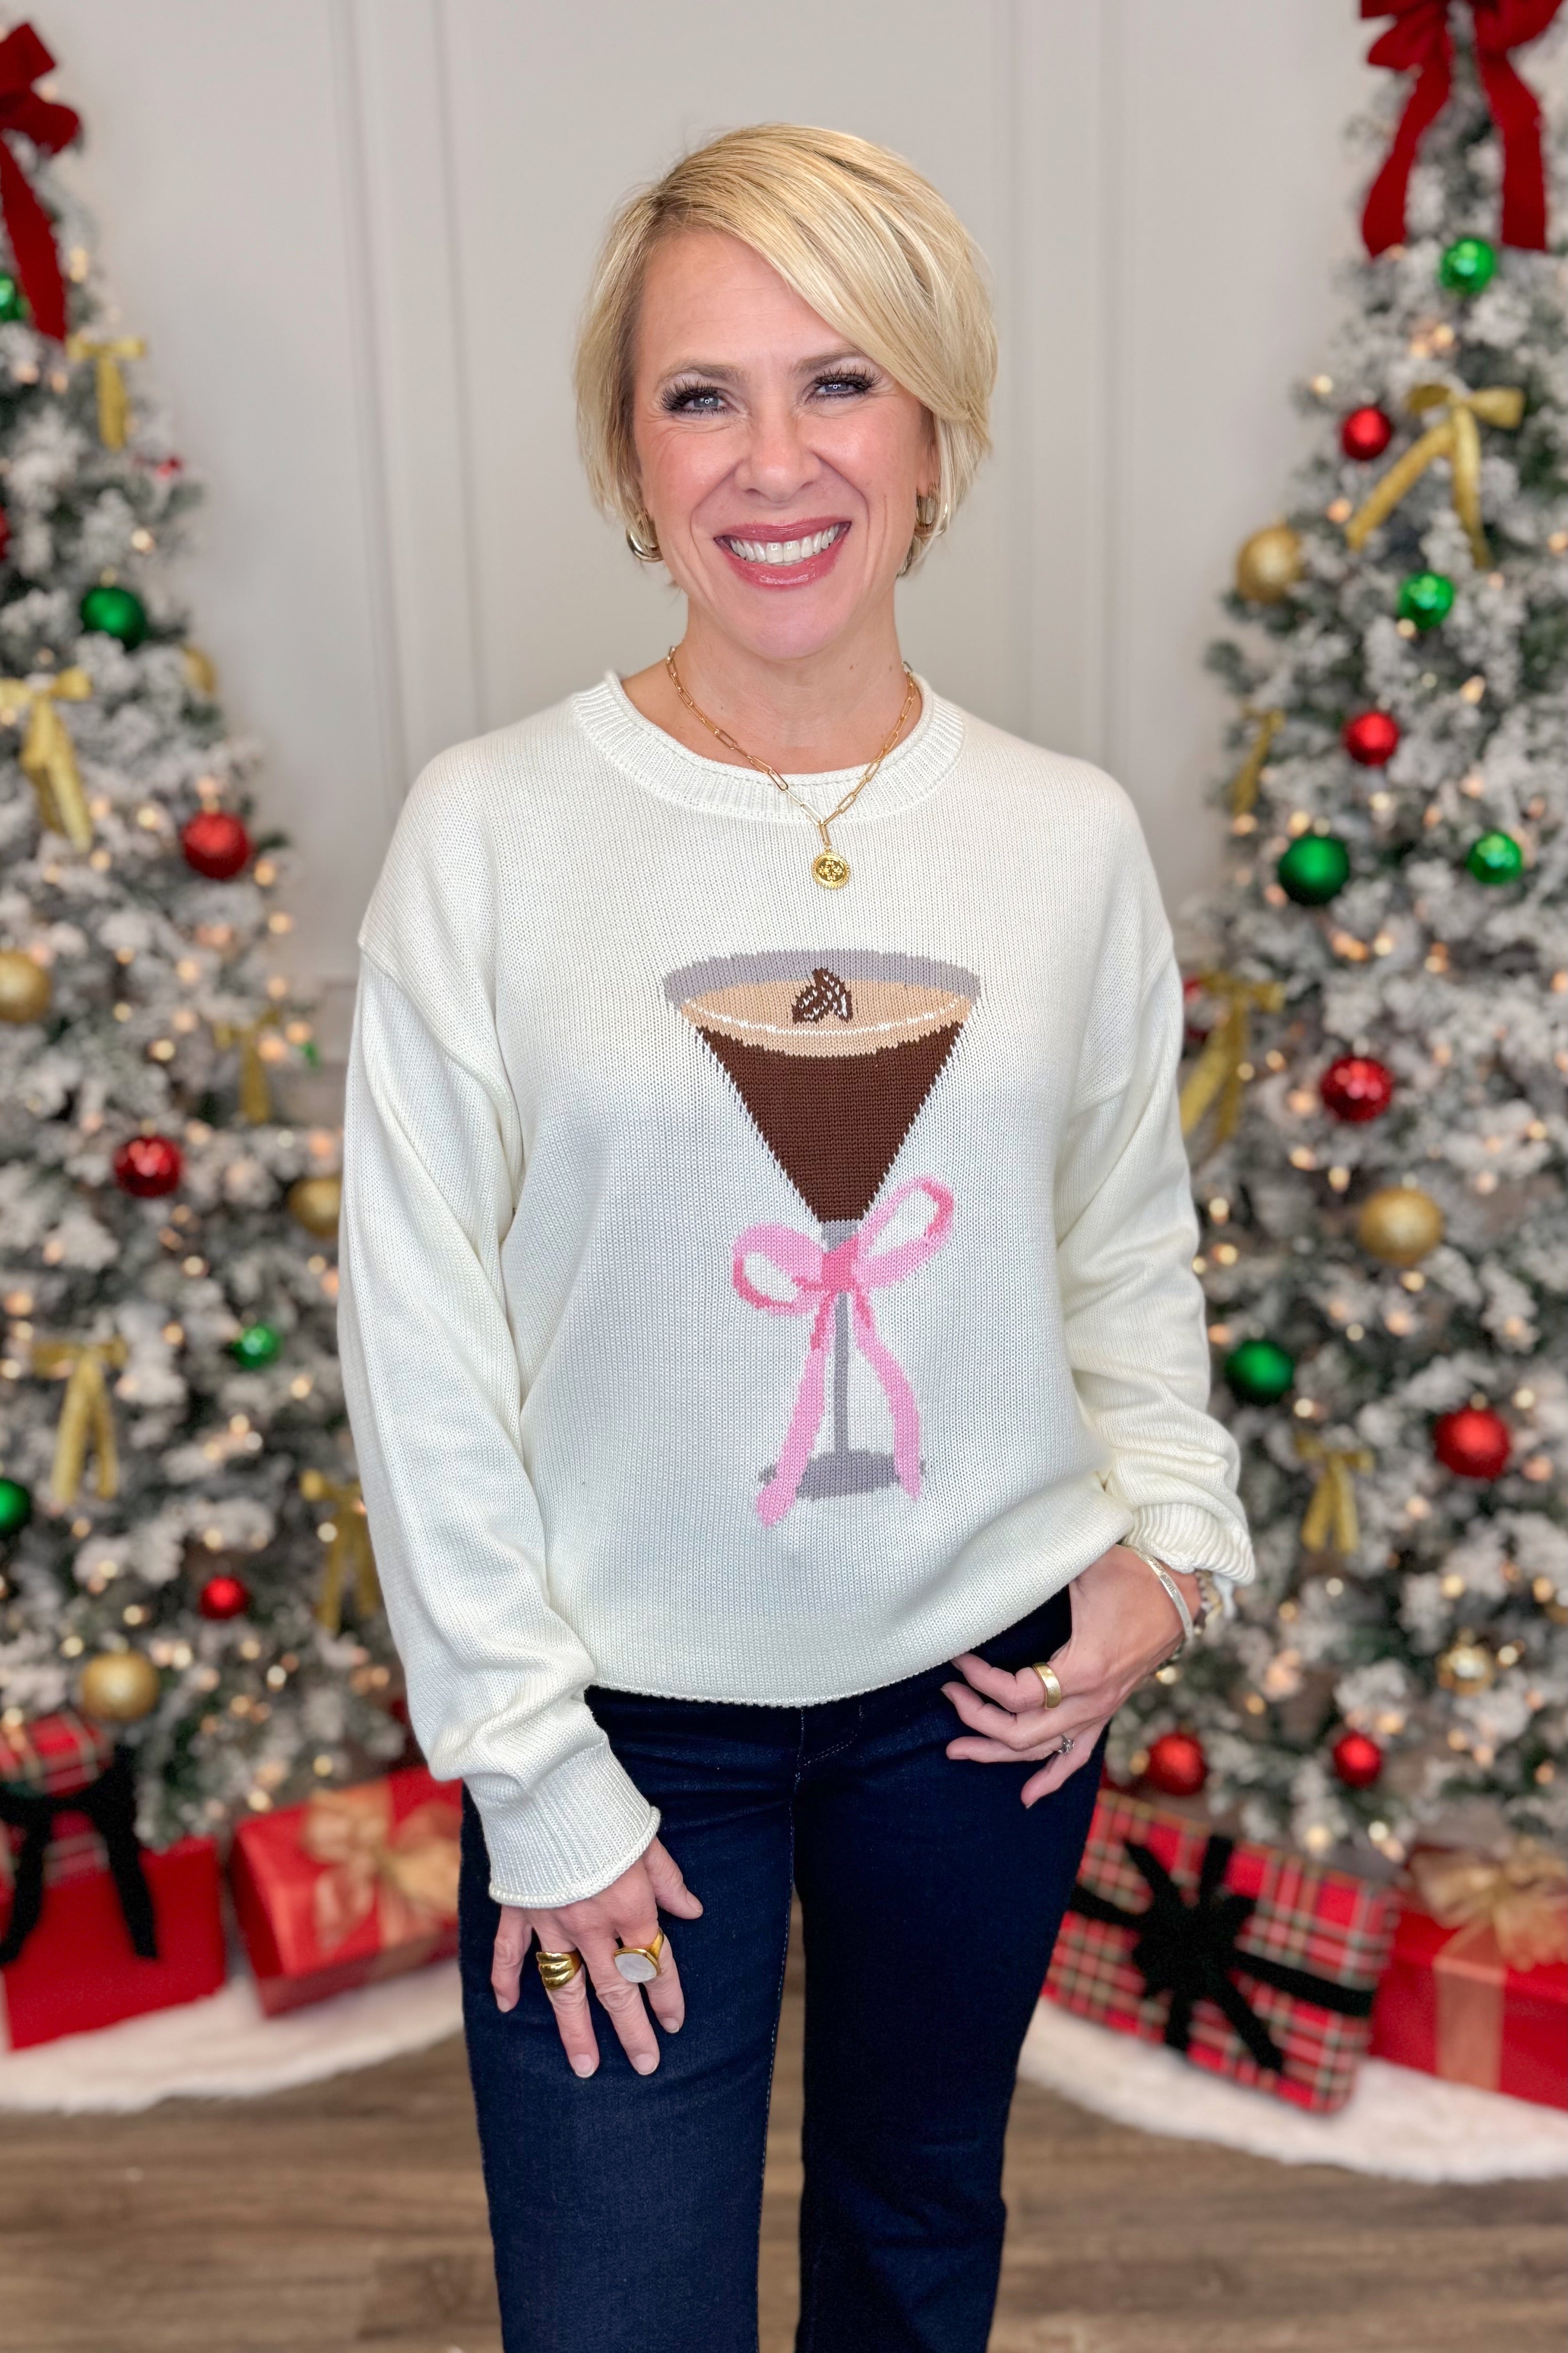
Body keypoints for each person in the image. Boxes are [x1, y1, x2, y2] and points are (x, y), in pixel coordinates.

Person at [337, 122, 1253, 2353]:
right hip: (621, 1727)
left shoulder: (1058, 840)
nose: (774, 460)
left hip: (982, 1698)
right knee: (616, 2308)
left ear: (933, 431)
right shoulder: (488, 834)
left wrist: (1179, 1545)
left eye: (838, 383)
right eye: (699, 394)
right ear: (629, 456)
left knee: (916, 2240)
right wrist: (535, 1778)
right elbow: (419, 1334)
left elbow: (1123, 1237)